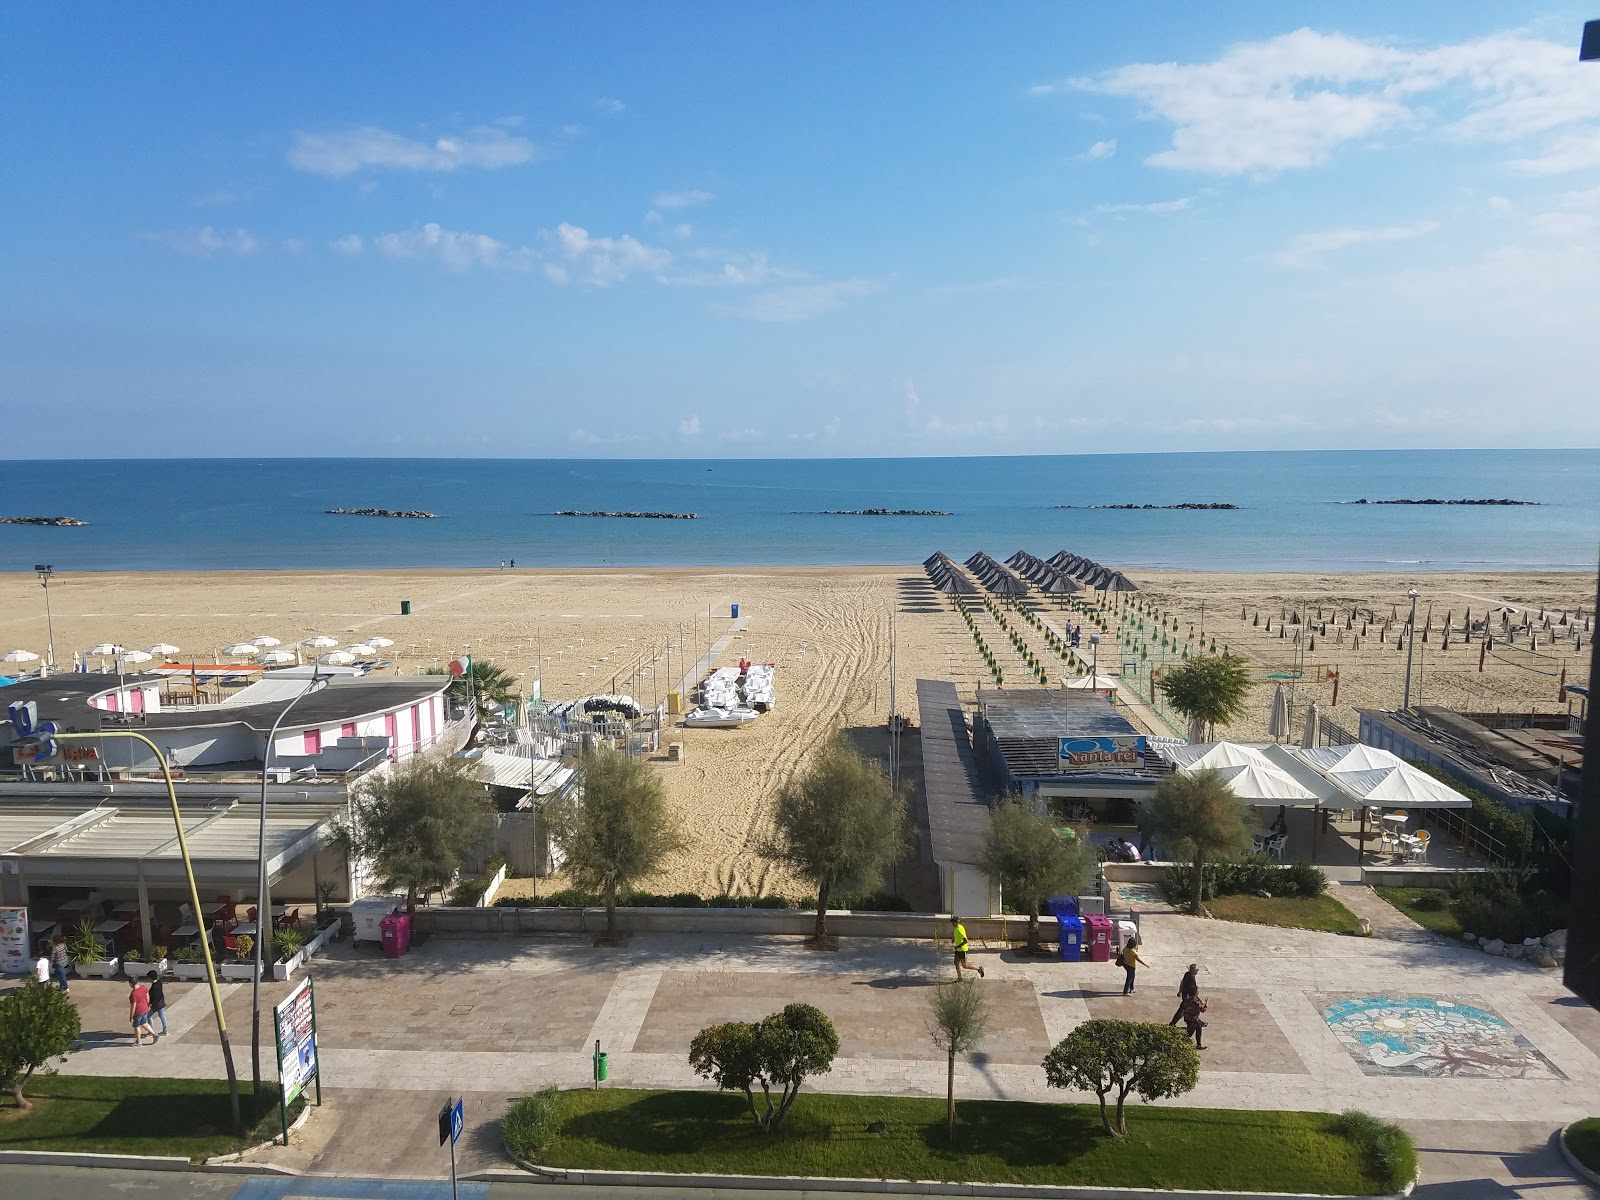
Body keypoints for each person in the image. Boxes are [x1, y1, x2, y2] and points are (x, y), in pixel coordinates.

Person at [950, 915, 985, 979]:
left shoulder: (960, 929)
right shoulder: (956, 928)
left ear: (957, 922)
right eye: (952, 922)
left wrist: (958, 946)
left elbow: (966, 941)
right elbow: (955, 936)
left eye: (953, 922)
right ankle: (959, 978)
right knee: (956, 963)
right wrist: (953, 939)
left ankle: (979, 969)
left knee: (965, 966)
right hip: (958, 950)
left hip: (962, 950)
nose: (952, 923)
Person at [128, 977, 154, 1046]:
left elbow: (133, 1005)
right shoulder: (143, 987)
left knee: (136, 1026)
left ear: (130, 984)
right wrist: (148, 1005)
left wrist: (131, 1016)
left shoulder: (134, 994)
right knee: (144, 1023)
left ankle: (138, 1041)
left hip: (138, 1011)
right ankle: (154, 1034)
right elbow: (147, 996)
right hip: (145, 1009)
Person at [145, 969, 168, 1038]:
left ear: (150, 978)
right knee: (162, 1016)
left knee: (148, 1016)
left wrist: (150, 1004)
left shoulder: (153, 987)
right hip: (161, 1002)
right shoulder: (159, 983)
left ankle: (151, 1031)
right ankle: (165, 1030)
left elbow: (153, 997)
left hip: (155, 1004)